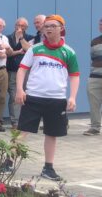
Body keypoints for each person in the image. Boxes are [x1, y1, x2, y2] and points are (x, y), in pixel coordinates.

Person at [16, 14, 79, 181]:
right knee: (22, 131)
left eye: (53, 26)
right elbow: (22, 69)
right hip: (33, 98)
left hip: (57, 100)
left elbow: (74, 75)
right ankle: (8, 161)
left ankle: (48, 168)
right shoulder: (34, 49)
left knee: (52, 134)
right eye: (46, 26)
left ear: (61, 29)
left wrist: (72, 97)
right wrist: (20, 90)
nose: (49, 29)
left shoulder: (69, 52)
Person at [6, 17, 34, 130]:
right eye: (18, 25)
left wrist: (21, 38)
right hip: (12, 70)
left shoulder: (30, 38)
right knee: (14, 96)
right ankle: (15, 122)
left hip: (26, 71)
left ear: (26, 28)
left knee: (26, 95)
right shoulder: (7, 37)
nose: (20, 28)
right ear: (15, 25)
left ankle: (25, 120)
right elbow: (7, 52)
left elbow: (28, 49)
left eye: (23, 26)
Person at [84, 17, 102, 135]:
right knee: (94, 103)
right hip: (94, 76)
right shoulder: (94, 41)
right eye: (100, 24)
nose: (100, 26)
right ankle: (95, 127)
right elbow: (93, 58)